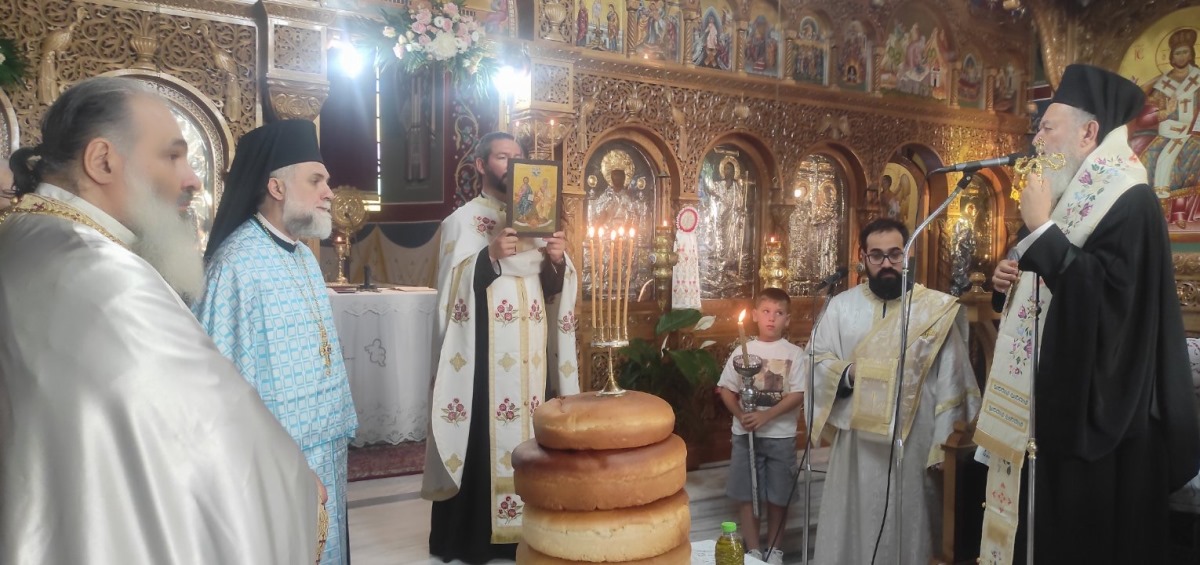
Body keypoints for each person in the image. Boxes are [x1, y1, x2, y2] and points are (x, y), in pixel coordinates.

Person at [0, 76, 321, 564]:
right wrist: (293, 482)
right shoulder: (104, 274)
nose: (192, 179)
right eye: (172, 156)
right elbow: (203, 424)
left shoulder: (24, 235)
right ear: (102, 161)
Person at [976, 63, 1200, 565]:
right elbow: (1046, 285)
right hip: (1051, 409)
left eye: (1047, 127)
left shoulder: (1132, 202)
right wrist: (1008, 280)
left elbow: (1110, 306)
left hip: (1103, 418)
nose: (1037, 140)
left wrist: (1042, 232)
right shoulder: (1069, 198)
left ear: (1088, 132)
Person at [191, 119, 357, 565]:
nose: (329, 192)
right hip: (278, 456)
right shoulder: (235, 266)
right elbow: (220, 384)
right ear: (276, 187)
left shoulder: (303, 256)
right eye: (316, 180)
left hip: (324, 443)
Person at [423, 131, 580, 563]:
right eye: (501, 157)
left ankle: (529, 527)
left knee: (531, 428)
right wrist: (488, 256)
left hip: (531, 357)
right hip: (482, 357)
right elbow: (449, 296)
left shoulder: (537, 220)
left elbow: (553, 290)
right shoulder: (463, 222)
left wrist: (556, 260)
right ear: (481, 165)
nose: (511, 164)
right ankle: (474, 537)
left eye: (517, 157)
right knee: (481, 438)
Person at [810, 218, 980, 564]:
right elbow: (814, 362)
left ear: (907, 254)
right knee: (855, 528)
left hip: (915, 442)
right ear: (863, 257)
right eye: (877, 255)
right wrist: (848, 373)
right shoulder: (841, 307)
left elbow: (953, 378)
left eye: (895, 254)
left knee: (910, 528)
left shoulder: (934, 311)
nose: (886, 263)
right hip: (857, 445)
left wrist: (943, 447)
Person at [715, 287, 806, 565]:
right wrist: (741, 415)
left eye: (779, 313)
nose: (771, 318)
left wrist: (766, 417)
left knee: (779, 495)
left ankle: (775, 549)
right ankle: (753, 550)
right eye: (766, 311)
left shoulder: (794, 354)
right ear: (754, 315)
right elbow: (726, 390)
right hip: (746, 436)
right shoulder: (743, 352)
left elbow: (798, 393)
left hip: (780, 436)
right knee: (747, 493)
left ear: (787, 319)